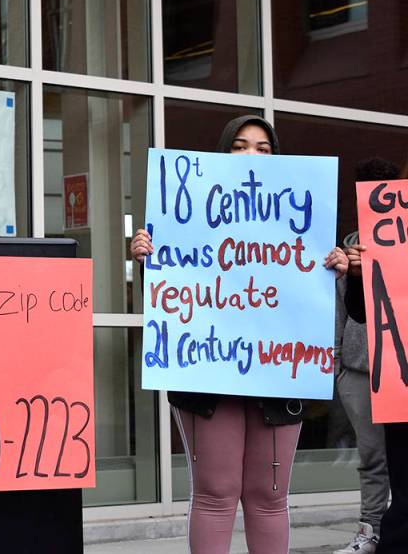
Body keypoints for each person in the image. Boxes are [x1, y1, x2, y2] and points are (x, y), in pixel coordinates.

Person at [130, 115, 348, 554]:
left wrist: (337, 270)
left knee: (269, 498)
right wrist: (147, 261)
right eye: (240, 146)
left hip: (280, 373)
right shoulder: (187, 215)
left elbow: (318, 302)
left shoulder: (302, 220)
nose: (252, 156)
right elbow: (171, 295)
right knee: (216, 494)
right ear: (223, 154)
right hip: (209, 372)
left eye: (264, 149)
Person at [333, 158, 397, 554]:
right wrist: (338, 362)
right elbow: (338, 308)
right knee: (372, 458)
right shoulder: (349, 245)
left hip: (400, 371)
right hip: (358, 371)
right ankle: (370, 530)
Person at [345, 157, 408, 554]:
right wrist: (359, 276)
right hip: (400, 383)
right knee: (402, 484)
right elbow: (360, 313)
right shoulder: (385, 240)